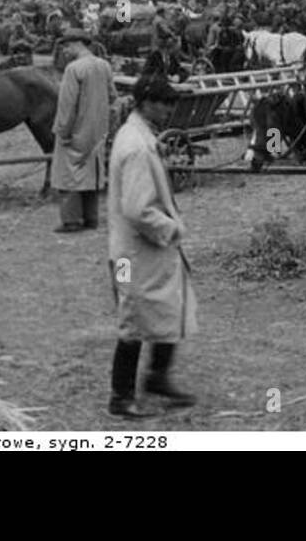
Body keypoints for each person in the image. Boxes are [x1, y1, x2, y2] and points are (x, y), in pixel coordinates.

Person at [107, 74, 198, 419]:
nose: (169, 110)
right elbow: (137, 208)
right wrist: (171, 228)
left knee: (168, 308)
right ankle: (121, 395)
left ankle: (158, 377)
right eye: (164, 103)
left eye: (171, 103)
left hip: (144, 248)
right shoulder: (136, 146)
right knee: (134, 318)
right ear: (146, 102)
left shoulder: (139, 135)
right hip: (135, 250)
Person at [51, 29, 116, 233]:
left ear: (78, 43)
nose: (65, 51)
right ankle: (91, 218)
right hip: (97, 131)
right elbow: (112, 96)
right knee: (92, 173)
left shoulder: (74, 69)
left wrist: (62, 131)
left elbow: (67, 106)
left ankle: (71, 220)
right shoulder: (104, 65)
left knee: (68, 175)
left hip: (76, 130)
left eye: (67, 47)